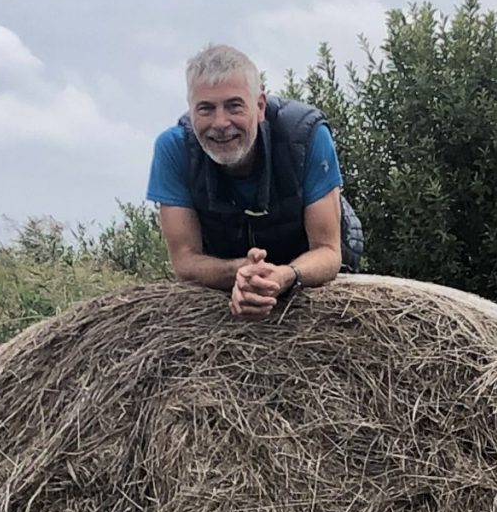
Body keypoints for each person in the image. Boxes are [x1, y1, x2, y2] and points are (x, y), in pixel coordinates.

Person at [146, 43, 363, 319]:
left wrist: (285, 275)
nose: (221, 122)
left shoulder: (307, 137)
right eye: (206, 109)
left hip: (308, 256)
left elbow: (328, 250)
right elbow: (185, 261)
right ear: (191, 110)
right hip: (231, 259)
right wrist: (242, 272)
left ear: (259, 106)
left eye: (234, 106)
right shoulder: (173, 149)